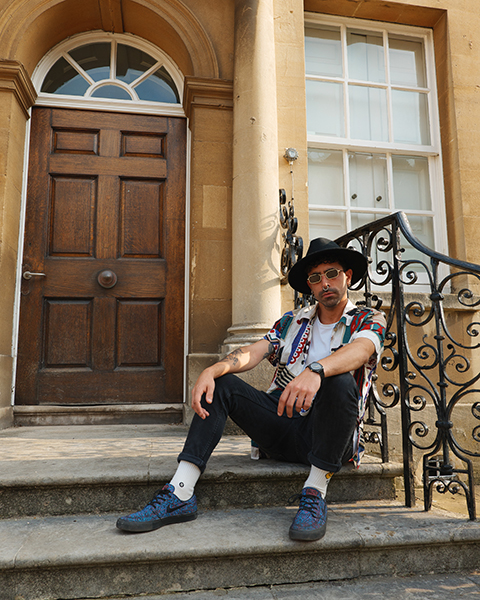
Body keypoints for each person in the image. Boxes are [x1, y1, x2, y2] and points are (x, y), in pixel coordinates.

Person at [116, 238, 386, 541]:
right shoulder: (292, 322)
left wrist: (316, 370)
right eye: (315, 277)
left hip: (328, 436)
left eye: (332, 273)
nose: (325, 283)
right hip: (283, 427)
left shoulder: (368, 318)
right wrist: (212, 370)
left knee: (339, 382)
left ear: (347, 276)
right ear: (309, 286)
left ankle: (315, 493)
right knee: (222, 384)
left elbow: (362, 351)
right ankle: (180, 492)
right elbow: (254, 351)